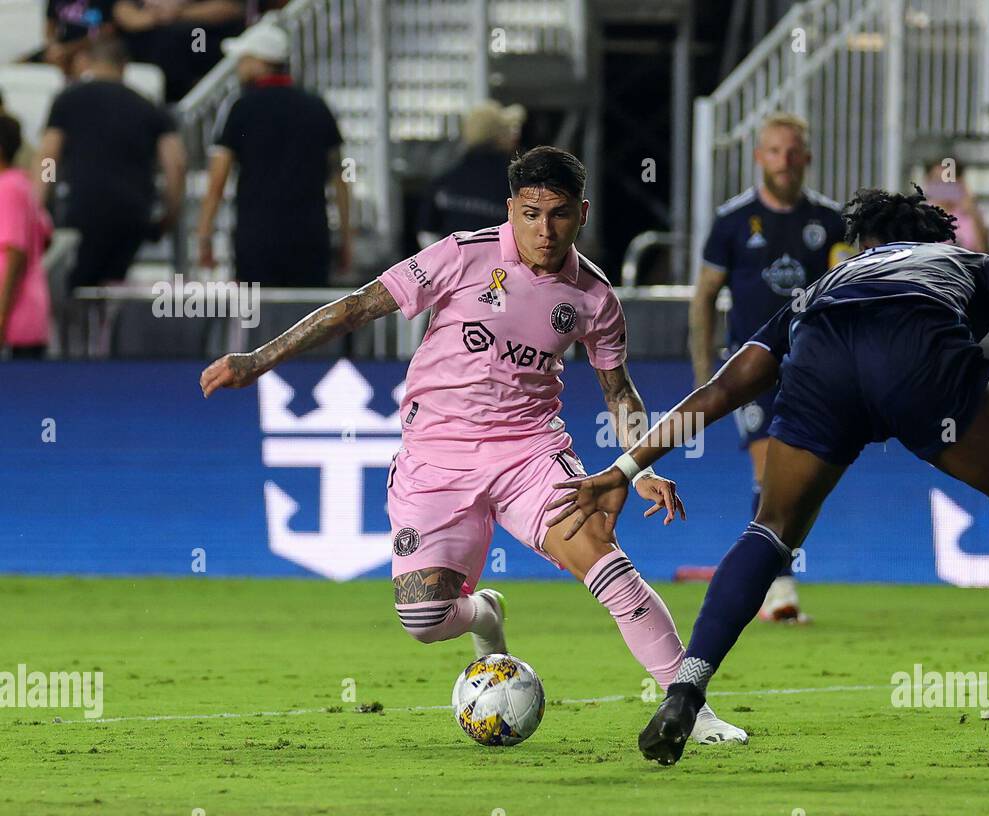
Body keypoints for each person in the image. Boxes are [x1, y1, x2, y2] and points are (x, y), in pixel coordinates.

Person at [548, 187, 989, 766]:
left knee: (771, 530)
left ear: (866, 244)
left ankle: (684, 694)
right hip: (920, 360)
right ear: (932, 236)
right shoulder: (957, 258)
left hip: (823, 364)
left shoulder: (823, 286)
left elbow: (725, 388)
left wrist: (626, 466)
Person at [198, 146, 747, 746]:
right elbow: (355, 308)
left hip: (529, 454)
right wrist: (258, 359)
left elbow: (619, 391)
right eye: (531, 213)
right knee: (422, 619)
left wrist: (636, 469)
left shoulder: (594, 297)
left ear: (582, 214)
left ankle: (690, 708)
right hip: (436, 455)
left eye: (559, 214)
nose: (544, 229)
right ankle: (485, 613)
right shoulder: (462, 255)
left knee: (602, 557)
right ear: (512, 208)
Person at [691, 112, 850, 623]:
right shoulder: (732, 220)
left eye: (793, 151)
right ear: (760, 157)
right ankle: (777, 587)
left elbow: (844, 293)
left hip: (812, 368)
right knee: (768, 469)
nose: (784, 161)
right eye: (774, 151)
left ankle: (767, 577)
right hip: (751, 367)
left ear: (808, 157)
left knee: (800, 481)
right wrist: (704, 374)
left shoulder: (829, 222)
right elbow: (704, 297)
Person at [197, 22, 350, 286]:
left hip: (256, 239)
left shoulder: (239, 107)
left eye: (244, 60)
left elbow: (217, 183)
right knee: (310, 321)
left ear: (262, 62)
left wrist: (204, 235)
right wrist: (347, 237)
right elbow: (340, 177)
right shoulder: (317, 106)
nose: (239, 67)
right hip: (310, 236)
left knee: (259, 321)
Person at [33, 37, 185, 290]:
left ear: (85, 61)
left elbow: (48, 158)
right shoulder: (149, 106)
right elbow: (176, 166)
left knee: (75, 288)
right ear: (124, 66)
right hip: (133, 210)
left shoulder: (68, 100)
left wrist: (38, 206)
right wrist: (169, 215)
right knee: (112, 286)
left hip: (84, 207)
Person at [415, 100, 526, 249]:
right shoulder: (518, 184)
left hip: (453, 267)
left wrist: (448, 263)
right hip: (500, 269)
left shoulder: (445, 181)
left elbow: (426, 232)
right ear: (501, 136)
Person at [111, 0, 246, 102]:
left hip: (200, 48)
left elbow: (230, 8)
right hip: (150, 73)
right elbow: (124, 12)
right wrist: (158, 16)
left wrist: (179, 12)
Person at [0, 116, 54, 359]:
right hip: (29, 318)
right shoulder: (23, 185)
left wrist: (1, 318)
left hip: (14, 326)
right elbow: (45, 236)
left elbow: (16, 254)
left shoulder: (8, 188)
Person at [921, 155, 989, 252]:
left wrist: (973, 214)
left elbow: (982, 251)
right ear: (928, 181)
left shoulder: (969, 211)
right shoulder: (921, 213)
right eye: (937, 180)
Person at [42, 0, 115, 78]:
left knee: (81, 61)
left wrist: (68, 49)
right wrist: (53, 46)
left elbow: (107, 32)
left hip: (94, 47)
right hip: (63, 46)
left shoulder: (104, 2)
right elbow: (50, 28)